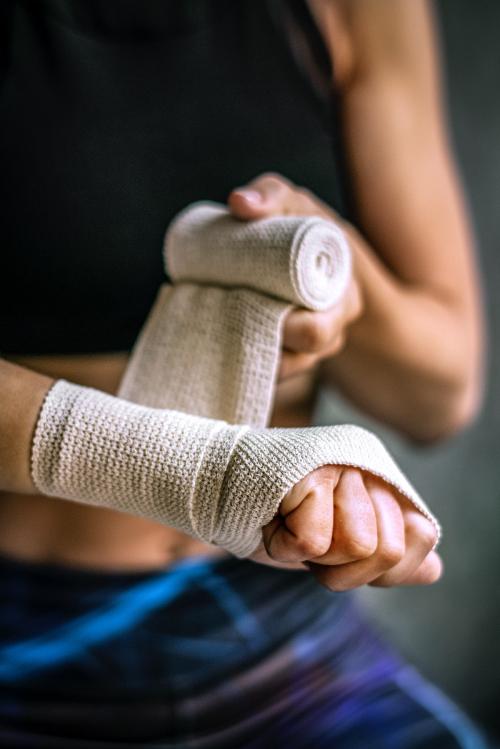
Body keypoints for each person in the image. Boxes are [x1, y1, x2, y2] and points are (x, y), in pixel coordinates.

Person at [0, 1, 487, 746]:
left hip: (276, 618)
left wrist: (341, 281)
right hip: (26, 642)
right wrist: (214, 470)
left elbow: (440, 395)